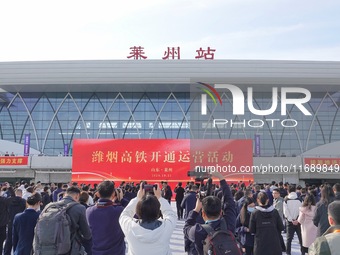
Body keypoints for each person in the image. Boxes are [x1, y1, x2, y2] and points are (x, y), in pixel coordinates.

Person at [183, 171, 236, 255]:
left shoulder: (198, 231)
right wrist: (221, 178)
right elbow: (229, 202)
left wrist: (196, 210)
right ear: (221, 212)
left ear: (203, 213)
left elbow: (186, 228)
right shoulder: (228, 223)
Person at [119, 183, 177, 255]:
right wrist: (159, 198)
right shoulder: (166, 226)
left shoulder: (130, 227)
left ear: (138, 211)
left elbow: (125, 214)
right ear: (158, 211)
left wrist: (138, 199)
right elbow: (170, 214)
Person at [86, 180, 125, 255]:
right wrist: (122, 199)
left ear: (98, 194)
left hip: (96, 252)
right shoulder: (119, 210)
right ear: (113, 193)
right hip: (116, 252)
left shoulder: (89, 211)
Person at [3, 189, 26, 255]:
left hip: (10, 221)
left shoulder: (9, 201)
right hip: (20, 223)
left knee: (9, 240)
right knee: (18, 240)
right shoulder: (23, 201)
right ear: (21, 194)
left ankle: (6, 253)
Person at [283, 185, 303, 255]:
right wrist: (297, 219)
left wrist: (291, 219)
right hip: (298, 222)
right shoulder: (300, 199)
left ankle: (288, 253)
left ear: (288, 191)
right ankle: (302, 253)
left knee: (289, 239)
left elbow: (286, 212)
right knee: (301, 239)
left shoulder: (286, 200)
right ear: (295, 190)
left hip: (289, 222)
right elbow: (302, 211)